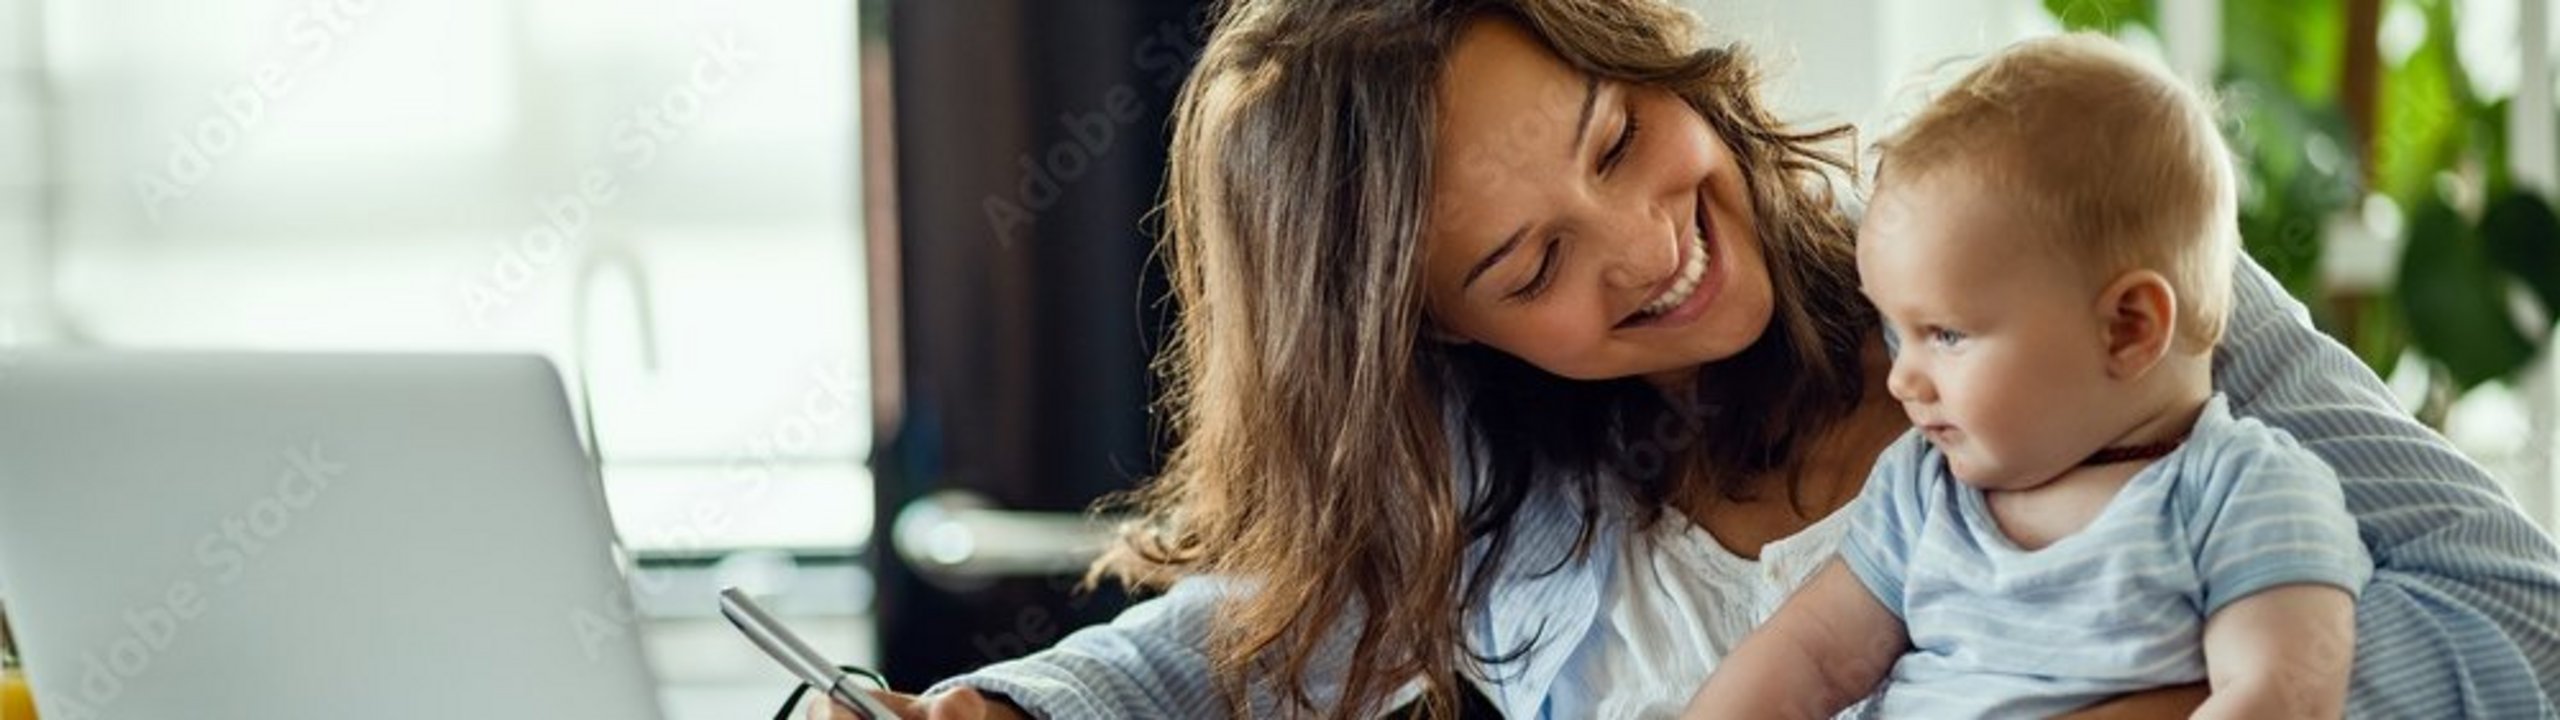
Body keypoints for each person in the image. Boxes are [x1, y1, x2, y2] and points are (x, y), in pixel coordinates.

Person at [817, 1, 2560, 717]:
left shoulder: (2051, 266)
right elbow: (1209, 651)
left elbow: (2529, 633)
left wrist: (2162, 653)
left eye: (1614, 132)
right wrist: (996, 709)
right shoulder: (1496, 492)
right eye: (1530, 264)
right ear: (1435, 331)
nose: (1647, 241)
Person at [1683, 34, 2370, 719]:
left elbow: (2280, 696)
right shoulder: (1924, 493)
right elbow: (1812, 656)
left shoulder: (2241, 492)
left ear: (2127, 328)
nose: (1902, 379)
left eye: (1945, 335)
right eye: (1897, 332)